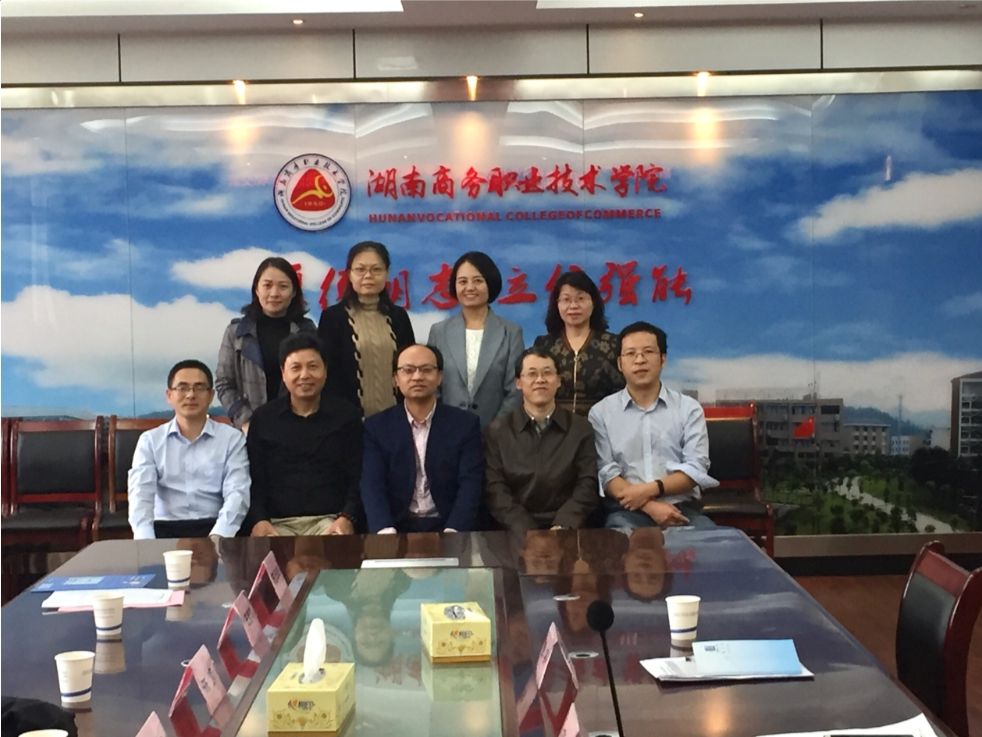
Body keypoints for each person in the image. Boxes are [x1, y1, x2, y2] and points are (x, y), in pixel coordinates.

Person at [588, 321, 718, 532]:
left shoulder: (688, 409)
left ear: (663, 359)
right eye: (631, 354)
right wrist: (650, 506)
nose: (639, 360)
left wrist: (652, 489)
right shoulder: (601, 413)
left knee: (711, 546)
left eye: (648, 352)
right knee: (622, 545)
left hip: (682, 509)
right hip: (627, 512)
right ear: (620, 363)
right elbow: (607, 473)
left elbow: (696, 468)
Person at [245, 333, 362, 536]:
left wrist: (347, 517)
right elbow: (253, 478)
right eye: (296, 368)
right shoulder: (263, 419)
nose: (305, 375)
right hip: (277, 524)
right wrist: (259, 520)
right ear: (283, 373)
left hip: (330, 521)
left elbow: (358, 476)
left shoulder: (347, 417)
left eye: (313, 366)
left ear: (325, 370)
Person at [361, 343, 484, 533]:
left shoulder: (465, 425)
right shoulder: (376, 427)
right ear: (395, 379)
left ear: (440, 377)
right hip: (397, 527)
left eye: (426, 370)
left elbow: (471, 484)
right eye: (408, 370)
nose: (417, 377)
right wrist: (385, 531)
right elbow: (372, 484)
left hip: (448, 525)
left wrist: (454, 531)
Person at [128, 359, 250, 539]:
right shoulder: (150, 441)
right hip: (165, 528)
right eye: (182, 388)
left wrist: (218, 537)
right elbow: (141, 497)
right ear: (169, 395)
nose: (191, 395)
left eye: (199, 388)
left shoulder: (232, 439)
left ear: (211, 395)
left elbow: (237, 493)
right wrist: (146, 543)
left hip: (216, 526)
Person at [484, 348, 599, 534]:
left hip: (568, 528)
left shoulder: (580, 428)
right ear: (518, 383)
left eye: (547, 373)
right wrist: (526, 529)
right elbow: (495, 489)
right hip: (514, 530)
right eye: (532, 374)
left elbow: (587, 484)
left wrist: (563, 524)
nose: (540, 380)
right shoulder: (498, 431)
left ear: (559, 381)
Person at [216, 256, 316, 432]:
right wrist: (246, 422)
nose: (274, 293)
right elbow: (224, 383)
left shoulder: (307, 330)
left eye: (283, 286)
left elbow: (317, 379)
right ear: (256, 289)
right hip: (250, 429)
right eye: (267, 285)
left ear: (294, 292)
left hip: (298, 428)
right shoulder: (237, 332)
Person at [427, 251, 524, 428]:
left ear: (490, 284)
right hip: (449, 431)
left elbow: (516, 390)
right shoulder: (439, 332)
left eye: (478, 281)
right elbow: (432, 386)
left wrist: (495, 430)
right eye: (463, 282)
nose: (470, 287)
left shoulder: (511, 332)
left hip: (496, 435)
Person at [318, 241, 415, 418]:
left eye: (376, 270)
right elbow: (329, 375)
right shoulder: (333, 318)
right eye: (360, 269)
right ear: (349, 274)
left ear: (387, 273)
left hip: (397, 420)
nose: (368, 276)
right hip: (348, 421)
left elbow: (410, 368)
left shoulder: (399, 317)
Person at [533, 270, 624, 416]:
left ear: (593, 303)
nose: (573, 306)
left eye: (580, 298)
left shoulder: (613, 344)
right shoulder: (544, 345)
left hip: (601, 423)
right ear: (557, 304)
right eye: (566, 299)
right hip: (553, 424)